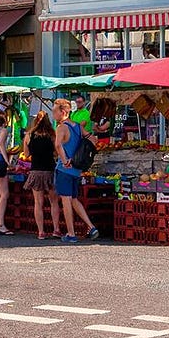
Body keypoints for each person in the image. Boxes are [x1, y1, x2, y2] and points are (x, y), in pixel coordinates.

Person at [53, 97, 99, 244]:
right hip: (77, 170)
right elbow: (93, 139)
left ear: (63, 112)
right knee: (74, 199)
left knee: (66, 200)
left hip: (65, 169)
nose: (53, 114)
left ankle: (71, 233)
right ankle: (91, 226)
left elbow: (58, 145)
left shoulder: (61, 127)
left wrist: (65, 160)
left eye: (55, 111)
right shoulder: (78, 126)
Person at [23, 112, 62, 240]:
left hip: (36, 171)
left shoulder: (29, 135)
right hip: (50, 169)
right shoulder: (52, 134)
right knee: (54, 202)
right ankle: (56, 229)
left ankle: (41, 231)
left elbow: (26, 154)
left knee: (38, 203)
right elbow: (57, 152)